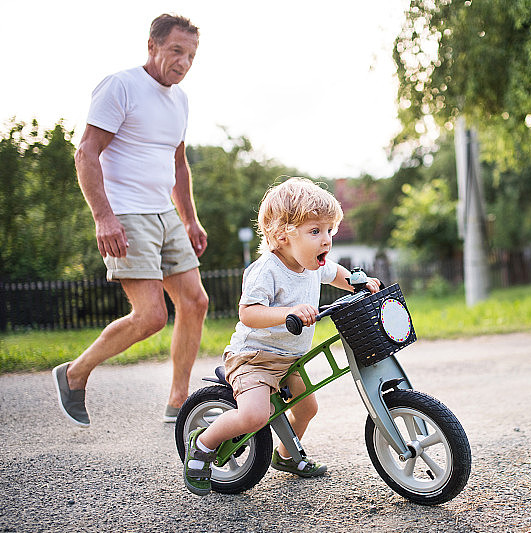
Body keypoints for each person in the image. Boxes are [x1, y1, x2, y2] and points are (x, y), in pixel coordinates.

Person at [52, 14, 209, 427]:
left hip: (164, 212)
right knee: (152, 315)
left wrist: (190, 220)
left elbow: (178, 164)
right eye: (177, 51)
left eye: (191, 55)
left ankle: (179, 403)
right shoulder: (121, 86)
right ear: (153, 46)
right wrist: (103, 217)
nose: (184, 62)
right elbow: (86, 152)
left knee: (195, 302)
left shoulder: (181, 100)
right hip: (126, 212)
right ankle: (74, 373)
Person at [182, 177, 380, 496]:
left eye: (329, 230)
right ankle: (203, 444)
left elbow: (338, 274)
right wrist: (286, 314)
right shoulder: (267, 270)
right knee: (254, 415)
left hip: (287, 361)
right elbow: (248, 312)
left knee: (307, 408)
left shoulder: (314, 265)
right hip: (253, 360)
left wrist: (359, 281)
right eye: (315, 231)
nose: (326, 240)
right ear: (282, 235)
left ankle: (286, 456)